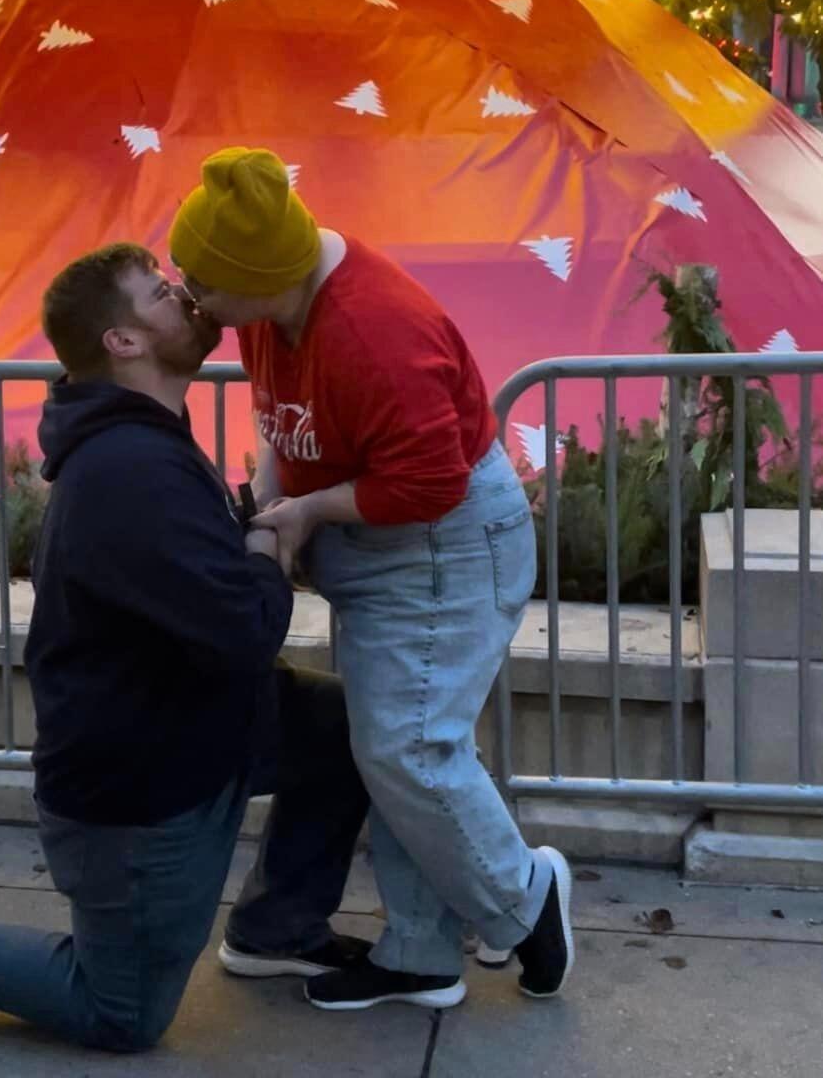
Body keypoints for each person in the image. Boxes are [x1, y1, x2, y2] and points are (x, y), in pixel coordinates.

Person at [0, 242, 373, 1051]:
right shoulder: (128, 471)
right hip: (140, 793)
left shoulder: (146, 439)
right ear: (123, 341)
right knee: (121, 1013)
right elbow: (245, 629)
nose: (186, 296)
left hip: (203, 732)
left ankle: (277, 927)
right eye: (161, 293)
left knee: (345, 728)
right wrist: (271, 541)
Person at [170, 148, 575, 1012]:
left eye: (205, 281)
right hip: (385, 546)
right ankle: (421, 953)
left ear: (260, 278)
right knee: (389, 744)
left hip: (444, 546)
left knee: (407, 748)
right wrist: (276, 502)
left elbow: (432, 482)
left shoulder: (373, 332)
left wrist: (311, 516)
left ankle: (524, 902)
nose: (191, 295)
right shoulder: (270, 309)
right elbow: (285, 419)